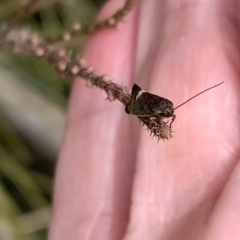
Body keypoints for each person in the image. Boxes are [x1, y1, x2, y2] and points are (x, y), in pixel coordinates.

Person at [48, 0, 240, 239]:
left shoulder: (166, 110)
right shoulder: (162, 108)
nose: (169, 119)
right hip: (144, 102)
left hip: (145, 103)